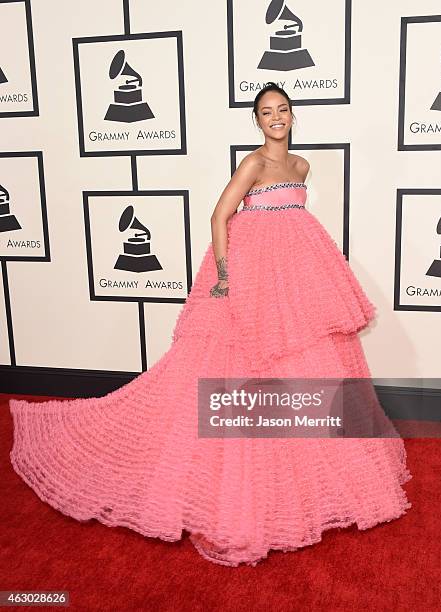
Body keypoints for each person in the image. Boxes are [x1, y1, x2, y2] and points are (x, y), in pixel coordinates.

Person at [9, 82, 412, 568]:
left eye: (283, 110)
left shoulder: (302, 166)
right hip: (249, 275)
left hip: (294, 279)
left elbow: (291, 220)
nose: (276, 118)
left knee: (306, 362)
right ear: (257, 120)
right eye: (267, 112)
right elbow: (220, 217)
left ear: (292, 115)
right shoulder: (253, 165)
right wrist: (225, 276)